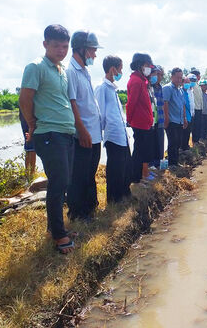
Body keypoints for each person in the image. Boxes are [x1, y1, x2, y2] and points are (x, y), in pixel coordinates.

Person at [19, 24, 76, 254]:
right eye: (56, 46)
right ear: (45, 44)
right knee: (58, 182)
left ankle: (55, 228)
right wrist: (32, 124)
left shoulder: (61, 69)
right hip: (49, 134)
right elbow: (25, 99)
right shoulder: (36, 67)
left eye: (65, 46)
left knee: (63, 182)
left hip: (65, 132)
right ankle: (59, 235)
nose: (62, 50)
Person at [66, 30, 103, 221]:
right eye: (92, 50)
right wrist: (81, 131)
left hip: (94, 134)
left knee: (89, 173)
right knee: (78, 175)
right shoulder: (71, 72)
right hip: (83, 134)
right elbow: (72, 104)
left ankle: (89, 208)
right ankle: (77, 212)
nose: (94, 55)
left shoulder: (84, 72)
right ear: (81, 49)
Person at [94, 55, 131, 203]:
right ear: (112, 69)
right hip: (112, 136)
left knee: (125, 167)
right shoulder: (102, 88)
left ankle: (124, 194)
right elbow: (100, 113)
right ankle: (114, 199)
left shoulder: (113, 89)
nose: (121, 72)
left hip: (122, 135)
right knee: (115, 169)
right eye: (120, 69)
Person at [126, 53, 158, 182]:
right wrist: (129, 120)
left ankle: (143, 175)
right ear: (139, 66)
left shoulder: (142, 81)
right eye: (146, 65)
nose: (148, 68)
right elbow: (131, 103)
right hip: (139, 123)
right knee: (139, 151)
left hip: (145, 123)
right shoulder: (136, 81)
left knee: (145, 151)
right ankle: (136, 178)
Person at [163, 68, 187, 166]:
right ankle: (172, 163)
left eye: (180, 78)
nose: (179, 80)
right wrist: (166, 118)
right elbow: (165, 103)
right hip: (172, 120)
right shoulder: (167, 88)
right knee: (172, 142)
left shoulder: (180, 90)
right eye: (177, 77)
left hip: (180, 120)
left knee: (178, 142)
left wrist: (184, 118)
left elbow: (183, 105)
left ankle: (175, 162)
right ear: (172, 77)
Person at [150, 65, 165, 168]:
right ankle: (151, 165)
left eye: (161, 75)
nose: (159, 77)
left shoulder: (160, 87)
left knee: (160, 143)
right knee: (151, 144)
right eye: (157, 74)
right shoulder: (149, 87)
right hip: (151, 121)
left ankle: (159, 164)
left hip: (160, 119)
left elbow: (163, 104)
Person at [19, 109, 36, 177]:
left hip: (25, 118)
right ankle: (31, 174)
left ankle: (27, 172)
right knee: (32, 147)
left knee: (29, 146)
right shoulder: (28, 99)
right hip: (29, 119)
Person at [181, 75, 194, 151]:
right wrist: (184, 117)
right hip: (184, 117)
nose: (188, 84)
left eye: (189, 83)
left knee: (187, 133)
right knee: (184, 134)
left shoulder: (187, 92)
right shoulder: (181, 92)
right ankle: (183, 148)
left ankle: (186, 147)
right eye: (186, 82)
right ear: (182, 83)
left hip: (189, 116)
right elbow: (183, 105)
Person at [191, 69, 202, 143]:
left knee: (198, 126)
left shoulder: (198, 85)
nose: (200, 77)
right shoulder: (192, 85)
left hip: (199, 108)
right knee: (194, 127)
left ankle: (197, 140)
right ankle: (194, 141)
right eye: (199, 75)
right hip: (195, 109)